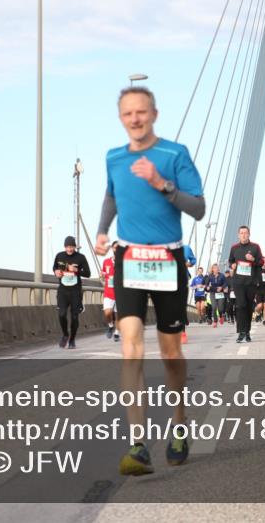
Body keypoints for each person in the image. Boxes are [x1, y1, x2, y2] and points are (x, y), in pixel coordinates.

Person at [94, 84, 205, 475]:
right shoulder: (113, 157)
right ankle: (138, 443)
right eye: (128, 114)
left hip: (168, 258)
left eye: (142, 112)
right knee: (131, 348)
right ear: (121, 118)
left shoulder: (175, 154)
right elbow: (112, 195)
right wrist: (103, 231)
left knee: (171, 353)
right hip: (129, 258)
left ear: (154, 114)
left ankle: (179, 424)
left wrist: (162, 184)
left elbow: (199, 208)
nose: (135, 119)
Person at [52, 236, 91, 349]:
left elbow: (88, 273)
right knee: (61, 314)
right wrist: (56, 272)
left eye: (71, 247)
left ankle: (72, 339)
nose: (69, 249)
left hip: (75, 290)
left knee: (74, 317)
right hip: (63, 289)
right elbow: (54, 267)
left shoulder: (81, 257)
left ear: (75, 247)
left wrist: (77, 270)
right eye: (67, 247)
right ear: (65, 247)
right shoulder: (59, 256)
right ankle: (65, 335)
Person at [228, 226, 265, 343]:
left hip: (251, 282)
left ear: (249, 234)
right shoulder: (234, 248)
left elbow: (261, 262)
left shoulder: (255, 247)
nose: (243, 235)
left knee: (248, 307)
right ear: (238, 235)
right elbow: (230, 261)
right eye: (241, 233)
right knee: (240, 305)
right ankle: (241, 332)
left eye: (246, 233)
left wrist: (253, 259)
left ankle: (247, 332)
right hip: (238, 282)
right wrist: (232, 265)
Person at [100, 253, 120, 341]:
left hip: (120, 293)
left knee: (118, 315)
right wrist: (102, 276)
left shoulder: (124, 263)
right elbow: (102, 275)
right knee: (107, 312)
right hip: (109, 292)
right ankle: (111, 326)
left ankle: (117, 333)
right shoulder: (106, 262)